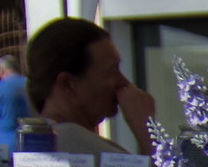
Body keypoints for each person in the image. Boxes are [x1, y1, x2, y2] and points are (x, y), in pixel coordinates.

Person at [26, 17, 156, 156]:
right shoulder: (69, 140)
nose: (124, 82)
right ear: (67, 84)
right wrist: (147, 130)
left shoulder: (46, 141)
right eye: (112, 71)